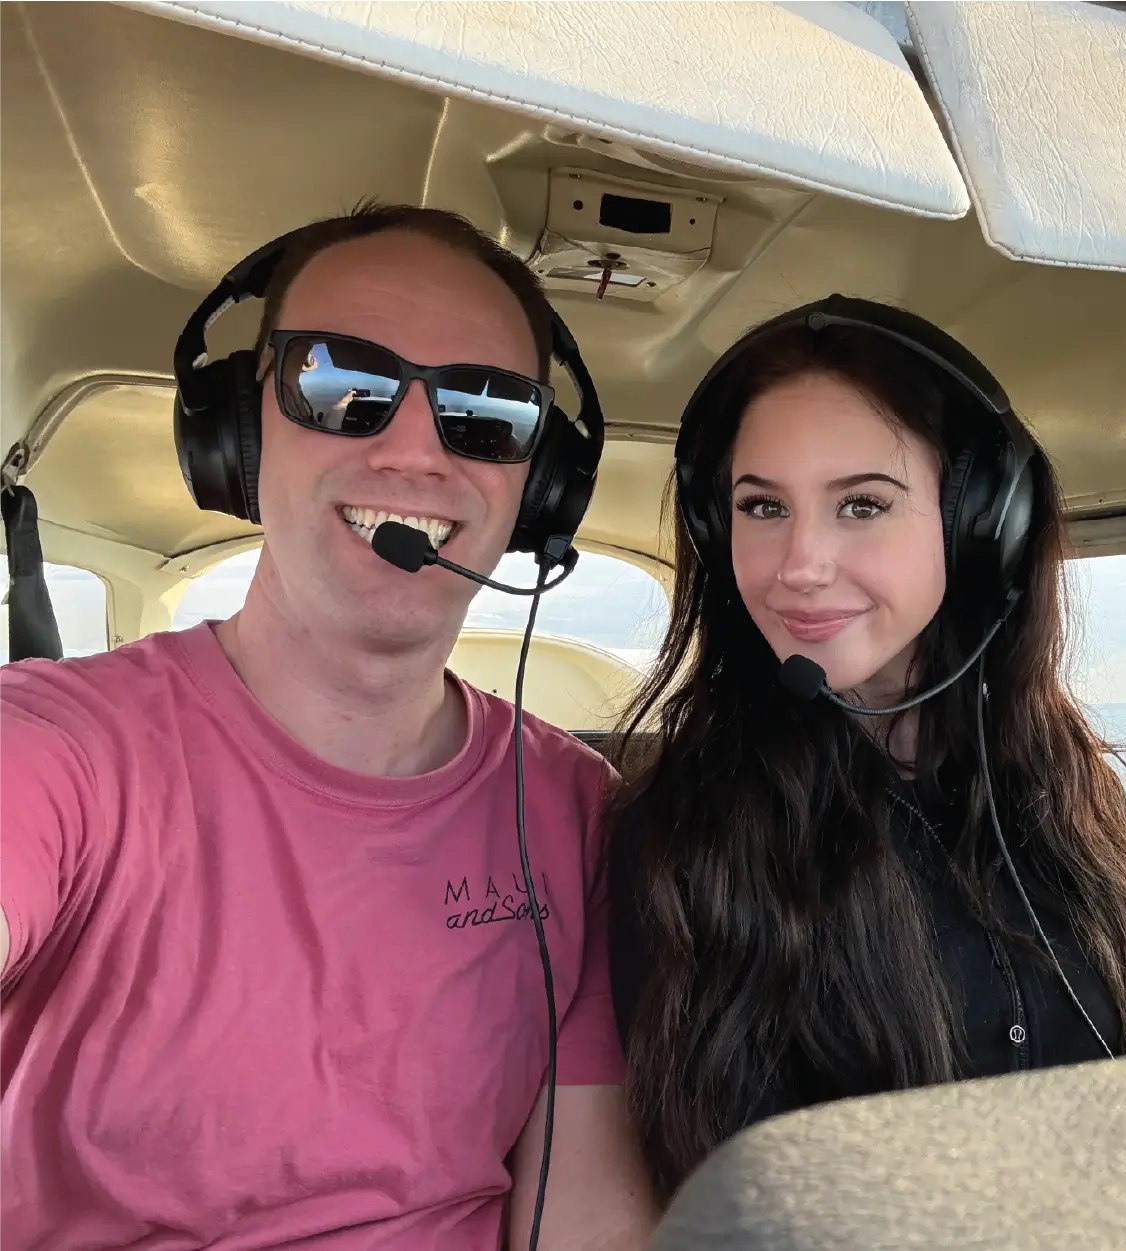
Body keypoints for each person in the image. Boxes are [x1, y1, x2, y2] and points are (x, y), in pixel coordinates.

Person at [0, 203, 657, 1248]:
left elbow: (581, 1216)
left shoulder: (579, 815)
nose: (413, 452)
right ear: (240, 429)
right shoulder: (61, 751)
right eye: (341, 385)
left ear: (538, 486)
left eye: (486, 413)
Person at [604, 295, 1126, 1200]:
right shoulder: (683, 841)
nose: (799, 562)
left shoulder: (1064, 788)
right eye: (762, 506)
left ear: (978, 525)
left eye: (860, 503)